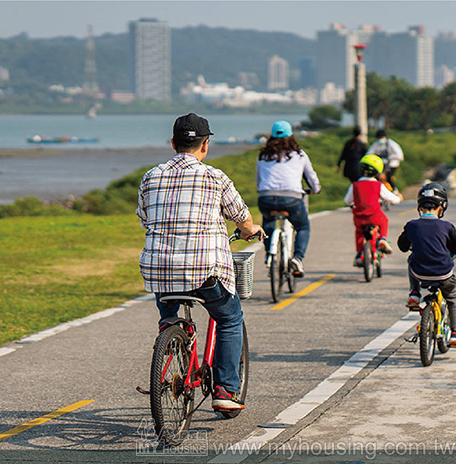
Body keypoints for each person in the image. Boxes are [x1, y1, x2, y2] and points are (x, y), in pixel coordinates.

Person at [137, 113, 264, 413]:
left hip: (160, 270)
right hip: (205, 271)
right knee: (230, 319)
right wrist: (251, 230)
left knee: (168, 304)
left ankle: (169, 329)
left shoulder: (150, 176)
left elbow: (144, 217)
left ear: (172, 143)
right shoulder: (215, 177)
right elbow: (242, 218)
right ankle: (226, 391)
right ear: (205, 145)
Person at [398, 183, 456, 348]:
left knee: (412, 258)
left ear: (420, 206)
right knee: (453, 298)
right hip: (443, 274)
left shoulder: (412, 225)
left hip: (419, 274)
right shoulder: (447, 227)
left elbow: (402, 246)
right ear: (442, 207)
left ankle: (414, 293)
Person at [256, 120, 321, 278]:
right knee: (303, 227)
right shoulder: (299, 155)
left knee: (268, 221)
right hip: (292, 199)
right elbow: (312, 179)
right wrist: (315, 189)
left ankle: (269, 255)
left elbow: (259, 182)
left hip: (266, 197)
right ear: (291, 136)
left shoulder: (263, 155)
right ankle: (297, 259)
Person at [343, 154, 403, 266]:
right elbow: (393, 200)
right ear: (377, 171)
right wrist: (399, 197)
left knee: (359, 233)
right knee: (384, 221)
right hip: (375, 217)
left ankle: (359, 254)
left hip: (359, 218)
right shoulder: (378, 185)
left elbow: (347, 201)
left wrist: (353, 203)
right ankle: (383, 239)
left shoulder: (354, 185)